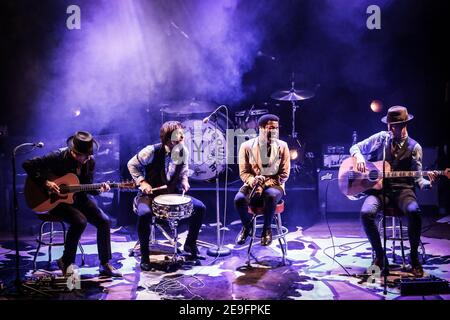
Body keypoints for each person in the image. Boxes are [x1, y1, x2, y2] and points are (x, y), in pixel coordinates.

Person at [350, 106, 438, 277]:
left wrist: (429, 183)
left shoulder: (415, 147)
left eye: (394, 125)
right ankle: (381, 256)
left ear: (404, 125)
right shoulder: (381, 139)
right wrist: (359, 157)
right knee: (365, 213)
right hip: (379, 191)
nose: (389, 129)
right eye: (389, 124)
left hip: (403, 191)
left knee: (414, 211)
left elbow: (419, 180)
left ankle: (414, 258)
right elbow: (355, 148)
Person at [22, 131, 122, 277]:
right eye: (85, 155)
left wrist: (99, 189)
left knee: (104, 221)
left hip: (78, 198)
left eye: (90, 155)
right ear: (74, 152)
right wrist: (46, 182)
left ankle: (105, 263)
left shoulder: (89, 162)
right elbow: (27, 164)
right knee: (79, 221)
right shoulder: (57, 157)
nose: (88, 158)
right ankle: (66, 261)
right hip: (54, 200)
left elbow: (87, 187)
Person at [127, 121, 206, 271]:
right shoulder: (151, 151)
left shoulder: (183, 151)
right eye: (178, 135)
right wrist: (142, 182)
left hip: (171, 193)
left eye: (182, 134)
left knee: (200, 208)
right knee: (144, 215)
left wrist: (184, 181)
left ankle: (190, 244)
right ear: (168, 138)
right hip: (150, 195)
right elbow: (131, 164)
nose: (182, 137)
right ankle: (145, 257)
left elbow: (183, 172)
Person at [234, 114, 290, 246]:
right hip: (253, 183)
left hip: (275, 184)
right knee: (239, 199)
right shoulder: (246, 146)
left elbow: (284, 174)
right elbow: (244, 173)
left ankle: (267, 229)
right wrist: (253, 181)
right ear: (261, 128)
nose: (274, 131)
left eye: (276, 128)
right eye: (271, 128)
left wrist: (263, 184)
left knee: (270, 196)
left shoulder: (283, 146)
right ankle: (247, 227)